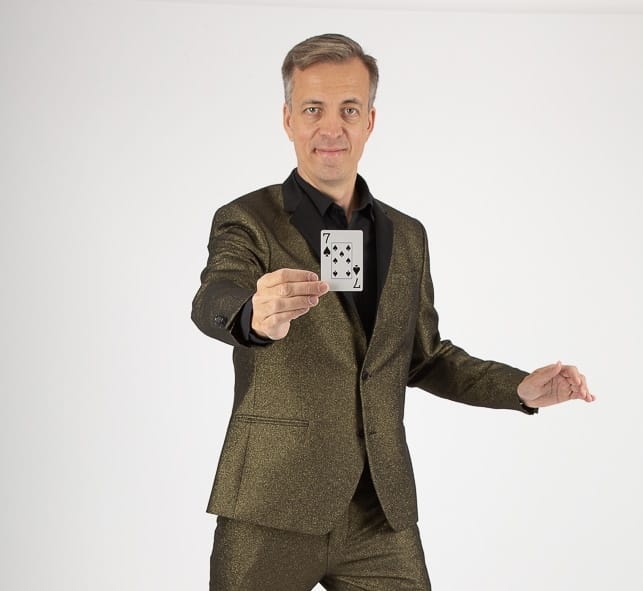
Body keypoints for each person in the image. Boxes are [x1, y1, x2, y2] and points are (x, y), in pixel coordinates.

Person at [192, 33, 594, 591]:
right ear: (288, 120)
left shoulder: (407, 236)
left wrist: (518, 388)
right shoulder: (247, 219)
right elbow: (214, 294)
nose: (331, 128)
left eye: (349, 110)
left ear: (370, 121)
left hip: (379, 513)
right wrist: (250, 316)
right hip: (272, 505)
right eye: (313, 109)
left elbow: (424, 357)